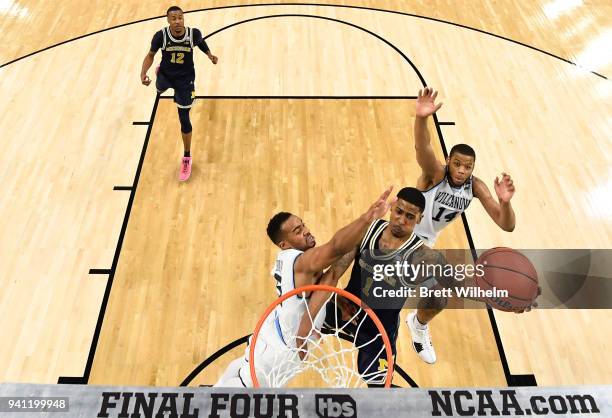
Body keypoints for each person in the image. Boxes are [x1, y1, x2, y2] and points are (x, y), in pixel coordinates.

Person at [214, 187, 396, 387]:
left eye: (303, 225)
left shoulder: (289, 262)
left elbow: (332, 274)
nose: (306, 231)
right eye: (297, 231)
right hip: (275, 359)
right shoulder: (300, 262)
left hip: (266, 341)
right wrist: (367, 218)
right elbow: (336, 247)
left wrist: (365, 231)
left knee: (228, 378)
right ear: (284, 244)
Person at [407, 87, 517, 364]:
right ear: (448, 161)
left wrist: (505, 203)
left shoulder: (476, 187)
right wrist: (421, 119)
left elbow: (507, 226)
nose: (461, 170)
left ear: (472, 168)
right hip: (402, 234)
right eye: (456, 164)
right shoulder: (436, 173)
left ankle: (418, 325)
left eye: (467, 167)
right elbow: (423, 148)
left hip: (424, 244)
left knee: (439, 296)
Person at [140, 6, 218, 181]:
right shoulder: (160, 36)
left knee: (184, 118)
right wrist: (142, 73)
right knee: (159, 89)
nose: (177, 21)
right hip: (166, 75)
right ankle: (160, 75)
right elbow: (150, 55)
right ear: (168, 21)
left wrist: (210, 55)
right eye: (173, 18)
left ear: (184, 19)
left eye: (180, 18)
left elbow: (201, 43)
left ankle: (187, 157)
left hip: (185, 80)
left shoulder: (193, 34)